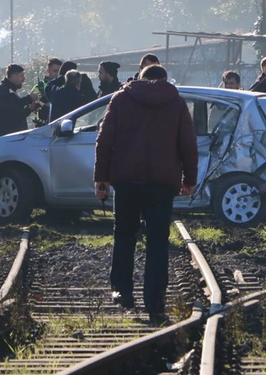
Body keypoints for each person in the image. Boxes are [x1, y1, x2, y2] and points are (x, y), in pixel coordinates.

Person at [94, 65, 198, 324]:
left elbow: (104, 140)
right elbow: (188, 144)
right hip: (162, 183)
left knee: (125, 235)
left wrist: (101, 178)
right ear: (163, 80)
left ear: (140, 78)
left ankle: (122, 292)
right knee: (158, 241)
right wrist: (189, 179)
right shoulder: (175, 102)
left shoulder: (121, 98)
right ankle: (155, 301)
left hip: (127, 181)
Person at [0, 64, 38, 137]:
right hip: (8, 137)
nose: (24, 79)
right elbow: (10, 108)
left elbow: (15, 115)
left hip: (15, 137)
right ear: (13, 77)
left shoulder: (9, 90)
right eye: (21, 76)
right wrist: (29, 98)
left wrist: (28, 109)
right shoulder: (1, 90)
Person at [31, 57, 62, 127]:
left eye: (59, 72)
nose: (57, 74)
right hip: (43, 126)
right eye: (55, 71)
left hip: (60, 125)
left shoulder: (63, 86)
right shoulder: (40, 87)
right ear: (48, 70)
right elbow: (30, 104)